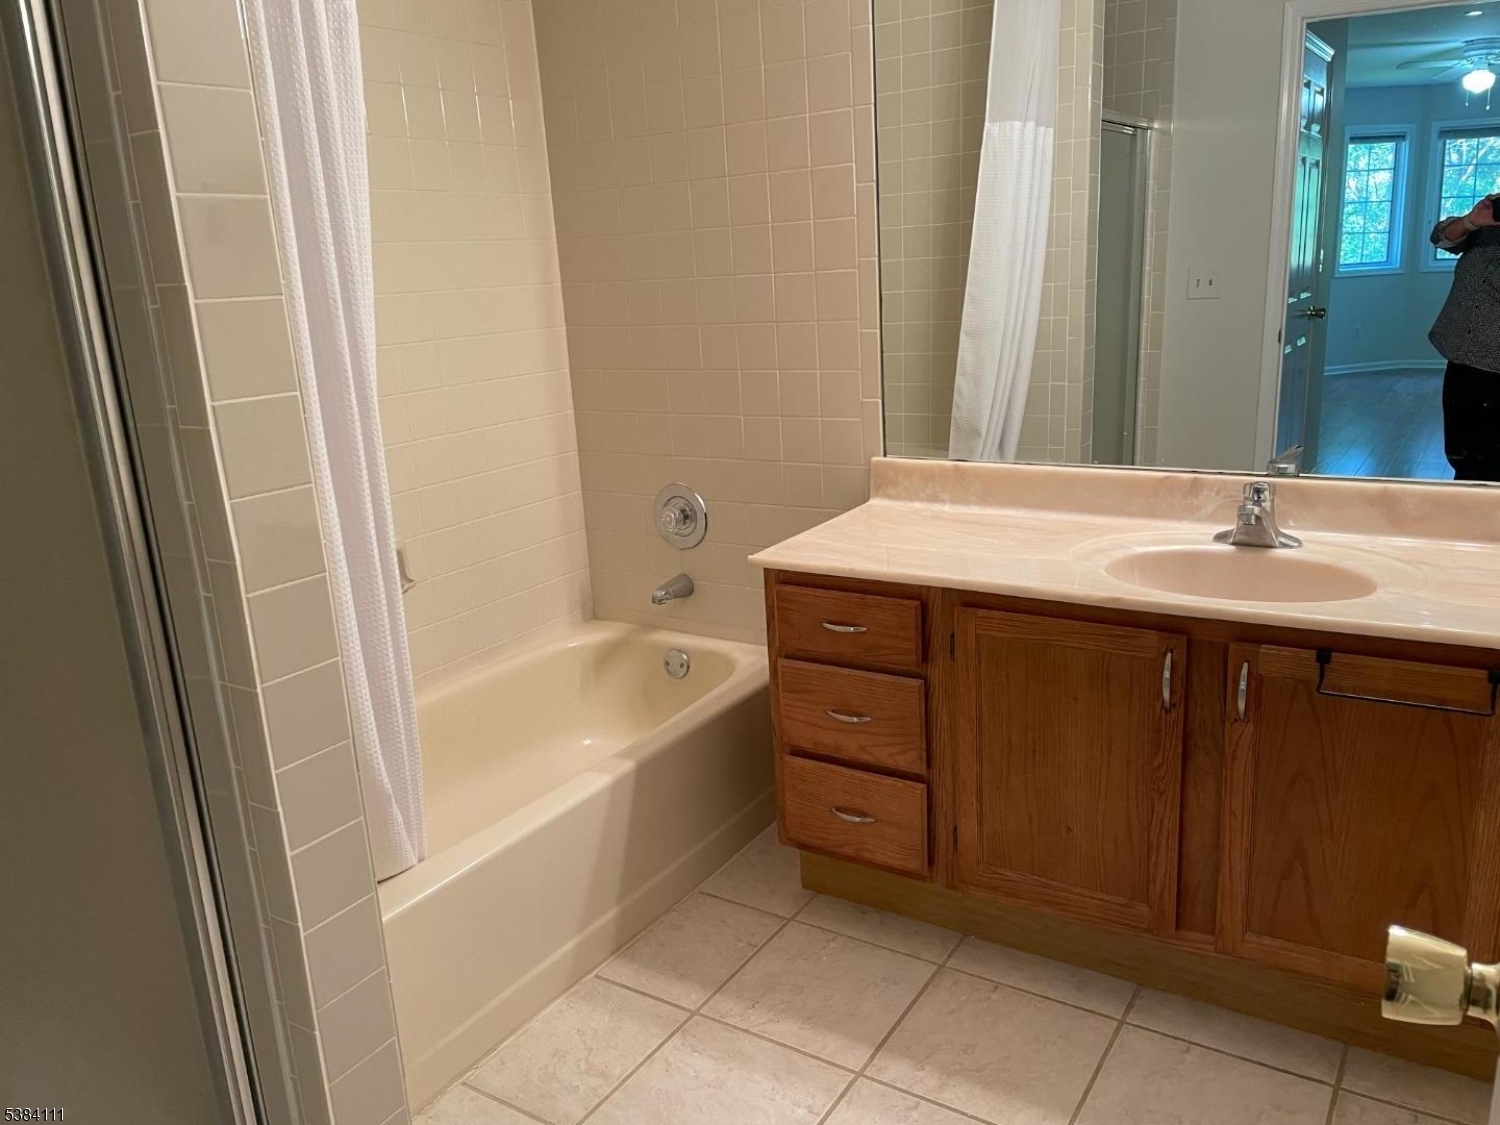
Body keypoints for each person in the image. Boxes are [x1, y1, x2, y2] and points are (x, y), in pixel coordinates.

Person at [1430, 193, 1500, 482]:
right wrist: (1473, 220)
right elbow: (1440, 237)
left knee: (1489, 461)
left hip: (1495, 367)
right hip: (1460, 357)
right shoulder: (1486, 228)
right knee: (1460, 452)